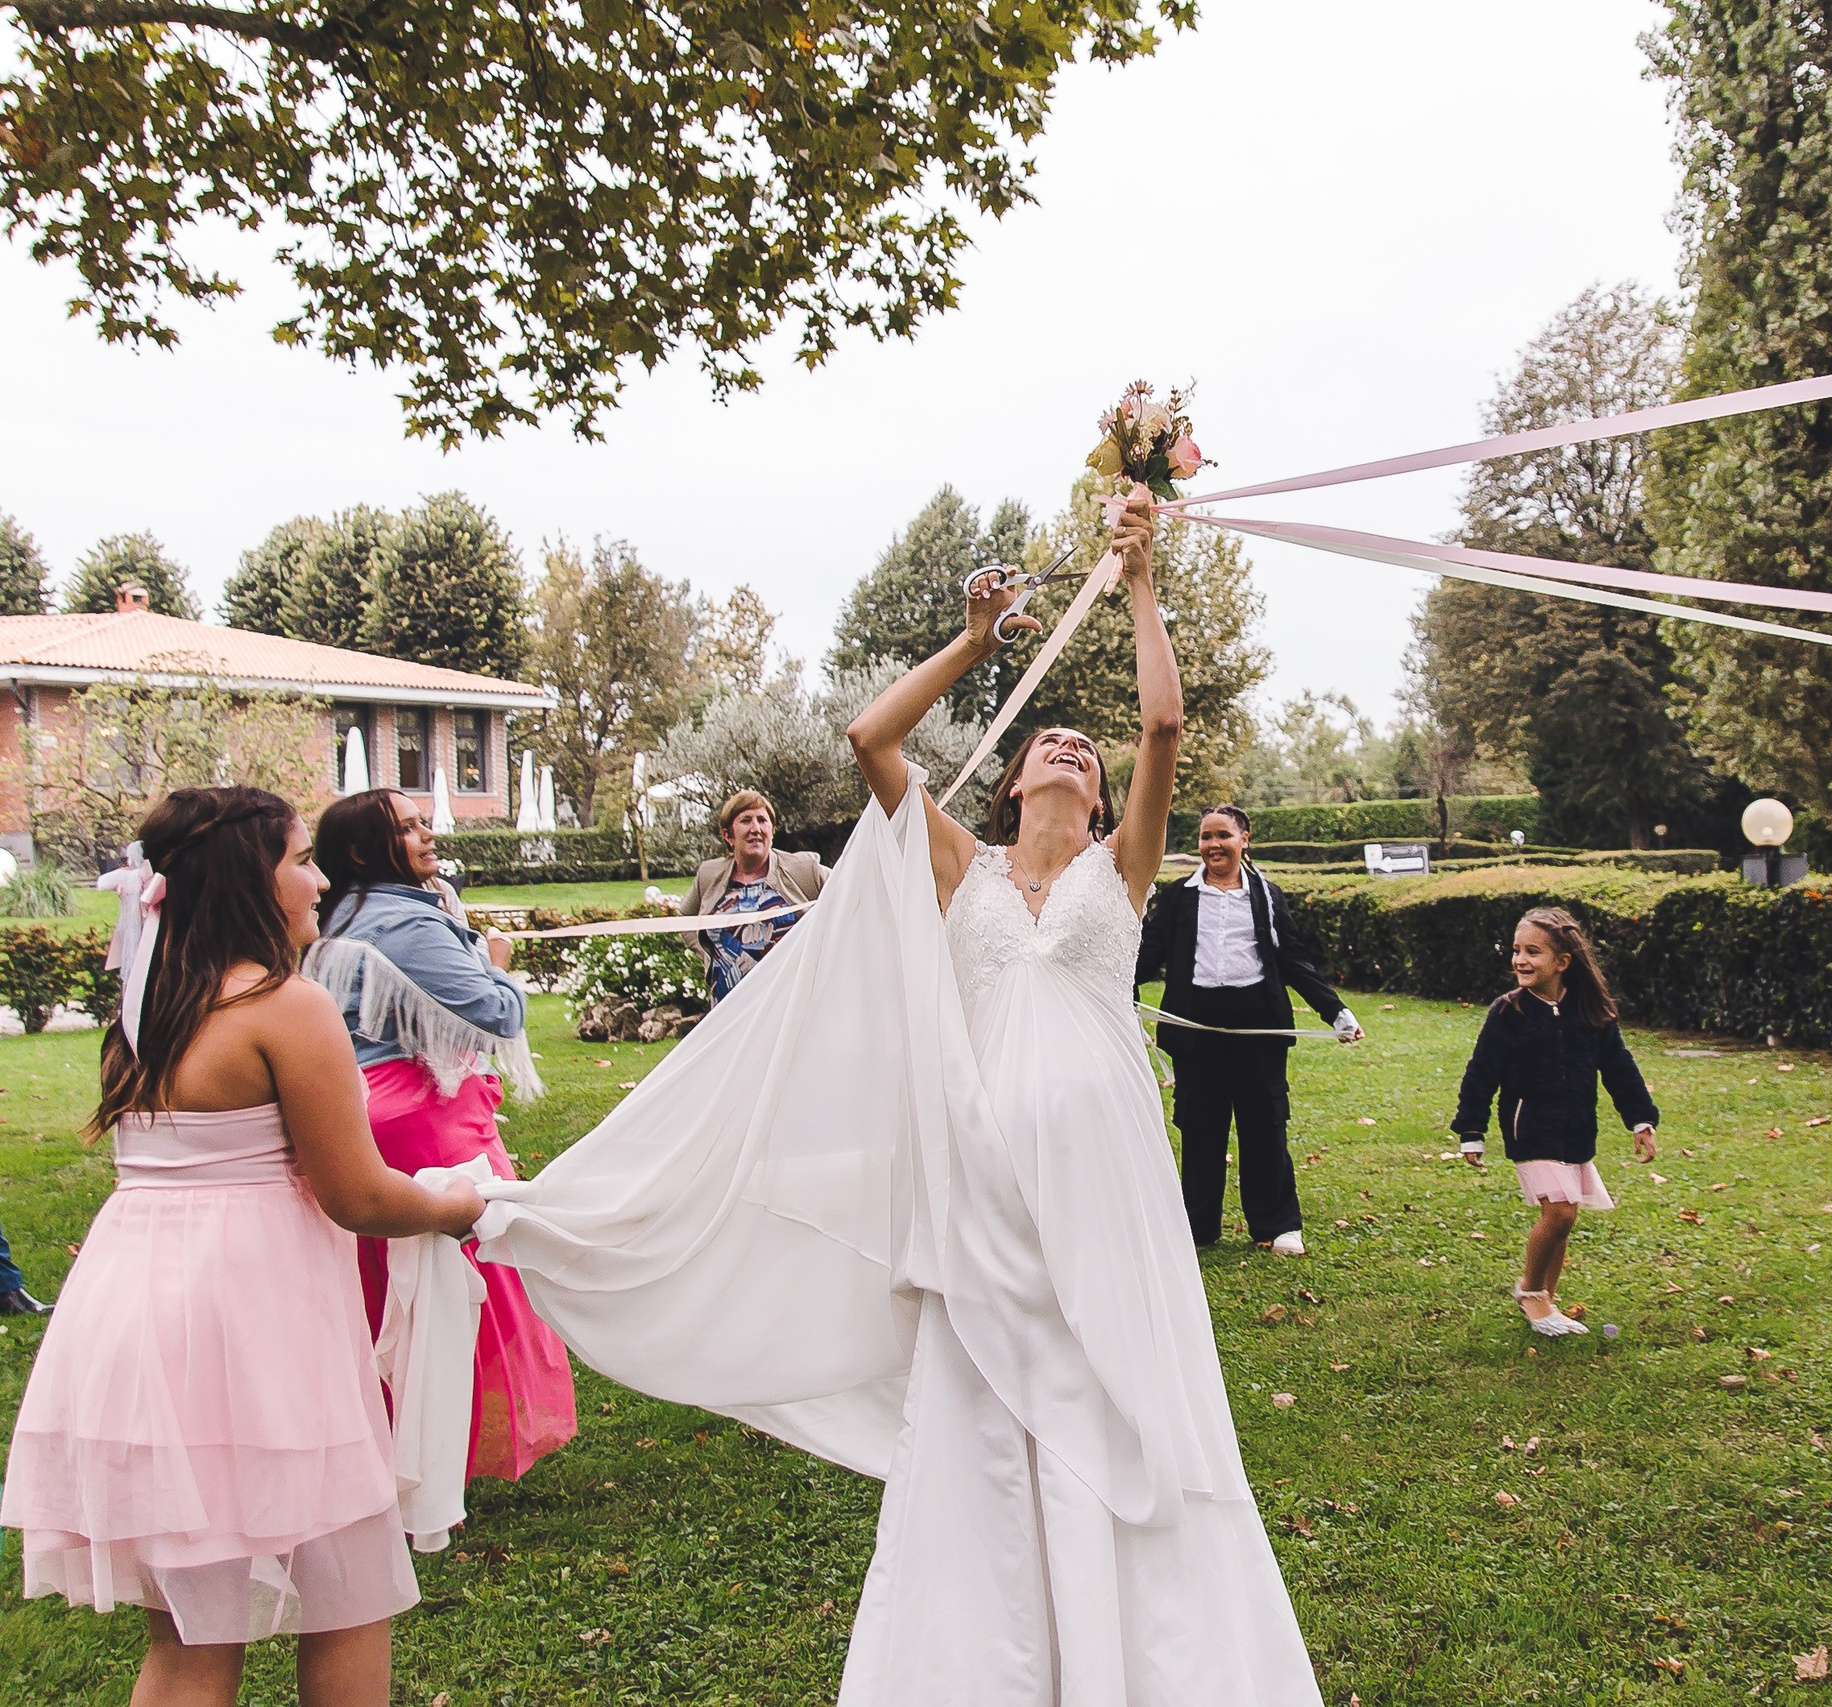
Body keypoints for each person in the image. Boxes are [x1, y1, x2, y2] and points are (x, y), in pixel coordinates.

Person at [468, 490, 1325, 1704]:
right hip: (978, 1166)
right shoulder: (957, 864)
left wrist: (1139, 581)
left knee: (1116, 1369)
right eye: (1050, 743)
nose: (1072, 751)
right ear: (1013, 780)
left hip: (1106, 1163)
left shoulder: (1122, 869)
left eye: (1085, 752)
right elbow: (872, 738)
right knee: (985, 1402)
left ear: (1100, 798)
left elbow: (1165, 721)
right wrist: (972, 644)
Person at [0, 786, 483, 1705]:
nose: (320, 879)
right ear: (249, 879)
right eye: (301, 860)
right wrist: (450, 1204)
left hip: (140, 1321)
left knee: (188, 1639)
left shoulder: (145, 1010)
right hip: (255, 1325)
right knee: (347, 1597)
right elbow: (356, 1193)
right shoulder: (285, 1007)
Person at [307, 787, 576, 1485]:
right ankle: (451, 1440)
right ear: (363, 850)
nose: (427, 834)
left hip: (365, 1109)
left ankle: (392, 1432)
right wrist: (496, 960)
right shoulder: (404, 922)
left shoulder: (339, 914)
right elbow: (494, 1014)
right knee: (463, 1280)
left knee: (389, 1283)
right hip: (426, 1118)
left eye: (424, 822)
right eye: (408, 827)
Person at [1137, 803, 1361, 1255]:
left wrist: (1336, 1012)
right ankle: (1197, 1229)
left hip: (1258, 1028)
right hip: (1196, 1031)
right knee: (1200, 1130)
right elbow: (1147, 955)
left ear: (1244, 839)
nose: (1213, 845)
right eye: (1205, 836)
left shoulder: (1267, 895)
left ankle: (1277, 1226)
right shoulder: (1179, 897)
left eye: (1223, 835)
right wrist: (1110, 991)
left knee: (1265, 1125)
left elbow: (1294, 961)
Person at [1452, 907, 1659, 1336]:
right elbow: (1481, 1073)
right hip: (1530, 1129)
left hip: (1576, 1130)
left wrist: (1640, 1118)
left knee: (1566, 1216)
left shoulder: (1590, 1011)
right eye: (1516, 950)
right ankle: (1531, 1293)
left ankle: (1547, 1297)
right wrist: (1471, 1130)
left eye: (1533, 952)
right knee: (1560, 1212)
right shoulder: (1508, 1012)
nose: (1520, 960)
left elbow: (1619, 1067)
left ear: (1563, 962)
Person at [681, 790, 830, 1002]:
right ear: (728, 835)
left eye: (762, 820)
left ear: (772, 831)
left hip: (788, 1004)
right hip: (728, 1007)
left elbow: (848, 891)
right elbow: (685, 917)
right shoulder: (709, 875)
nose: (756, 828)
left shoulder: (803, 869)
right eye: (746, 820)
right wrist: (709, 956)